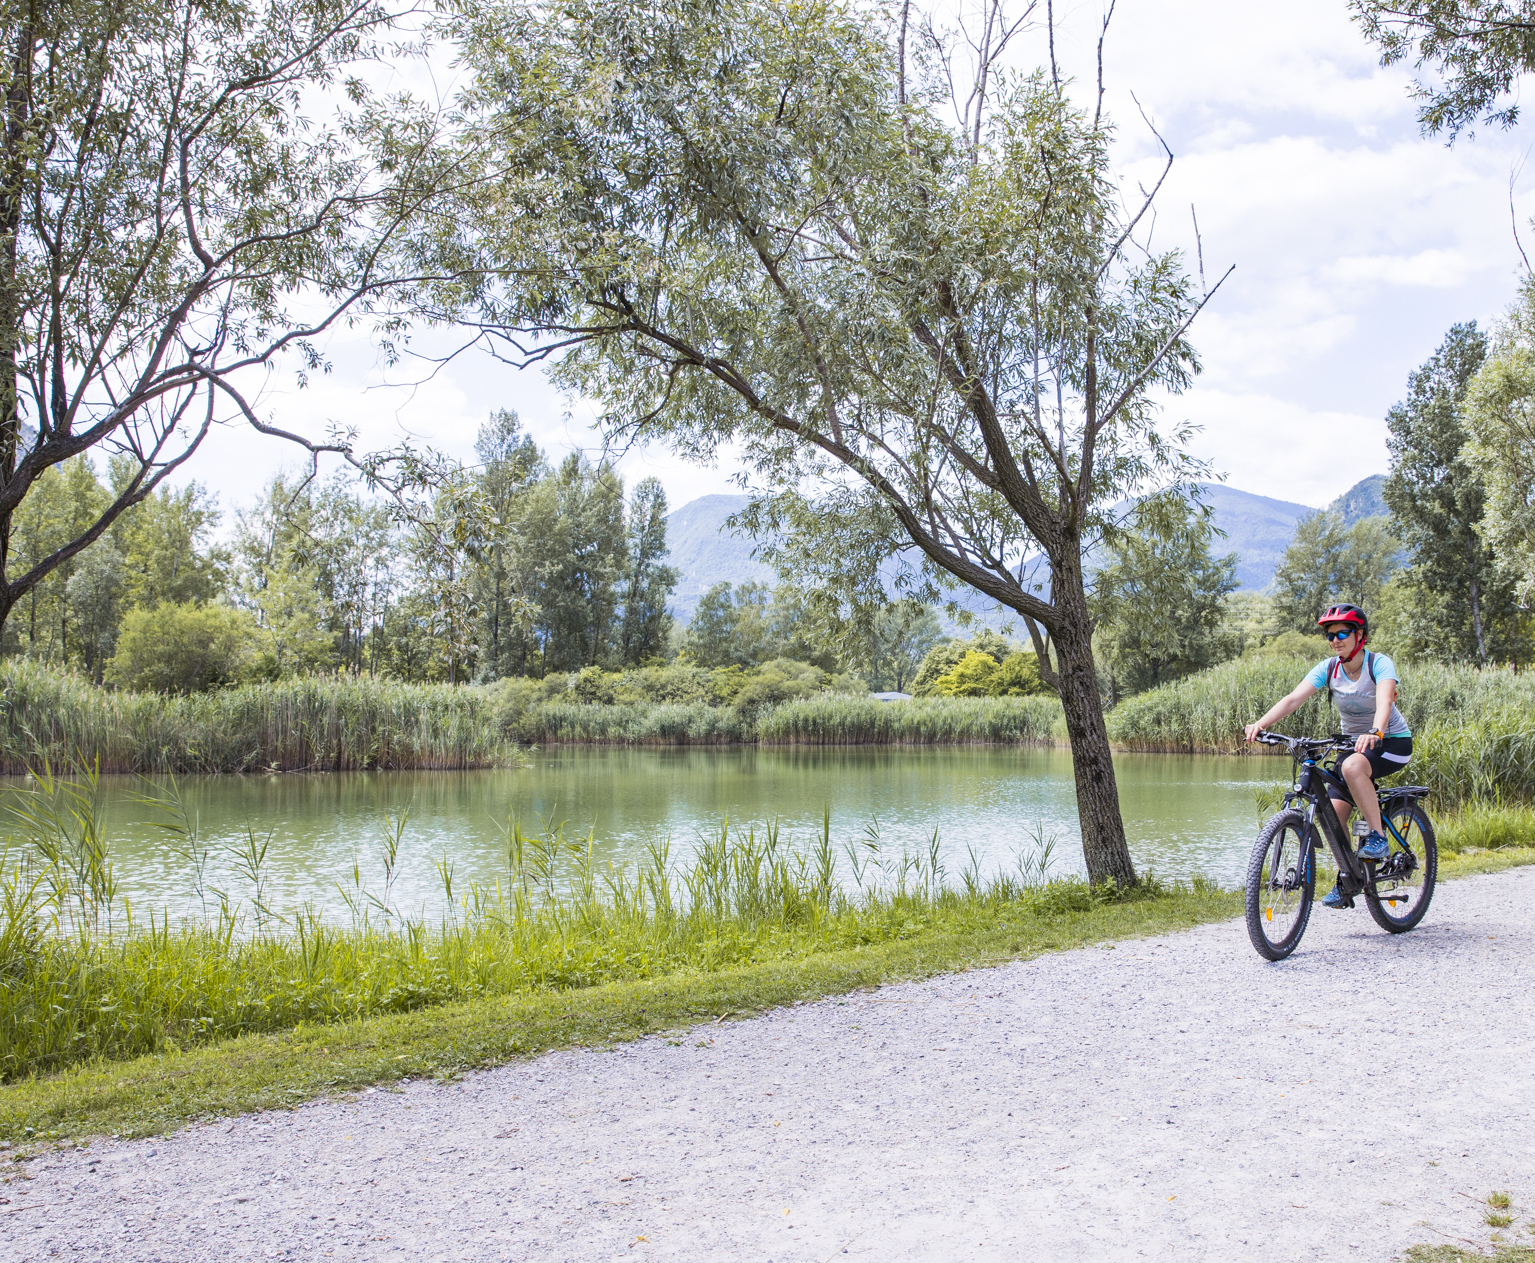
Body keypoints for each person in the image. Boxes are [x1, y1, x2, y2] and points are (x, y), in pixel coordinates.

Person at [1243, 603, 1413, 909]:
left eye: (1342, 633)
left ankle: (1377, 836)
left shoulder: (1378, 664)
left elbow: (1385, 701)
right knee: (1333, 815)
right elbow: (1293, 699)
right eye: (1330, 635)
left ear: (1360, 635)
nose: (1335, 640)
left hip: (1390, 742)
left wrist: (1376, 731)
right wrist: (1261, 724)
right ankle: (1349, 877)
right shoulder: (1329, 668)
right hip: (1353, 746)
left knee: (1352, 767)